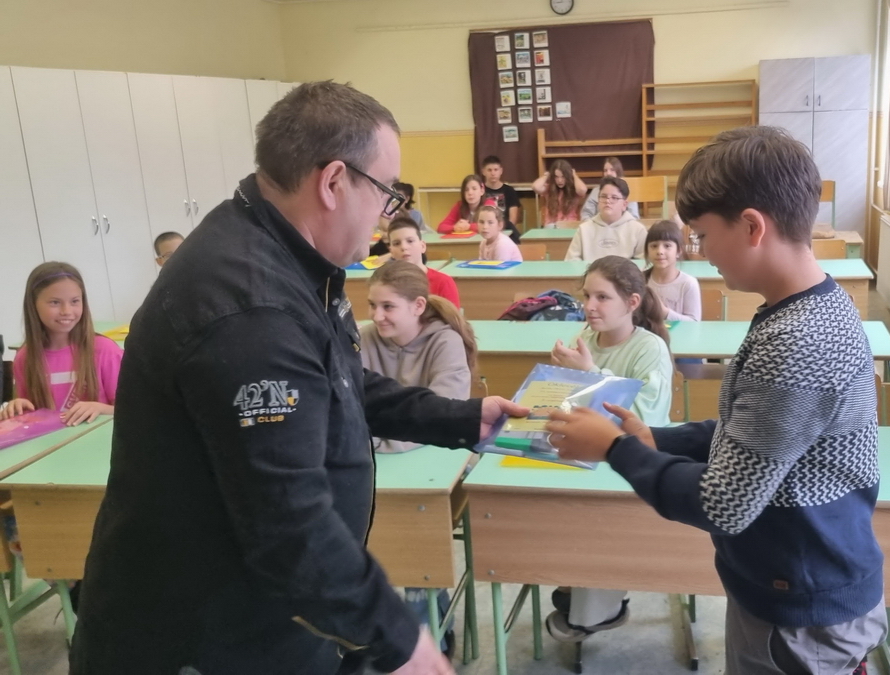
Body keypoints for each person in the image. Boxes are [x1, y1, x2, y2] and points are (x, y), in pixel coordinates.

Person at [70, 81, 527, 675]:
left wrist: (462, 417)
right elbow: (288, 521)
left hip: (265, 614)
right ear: (333, 182)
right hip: (205, 635)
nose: (388, 213)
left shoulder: (282, 252)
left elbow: (339, 384)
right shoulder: (251, 307)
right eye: (387, 192)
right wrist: (398, 637)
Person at [545, 126, 886, 675]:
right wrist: (657, 439)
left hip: (802, 609)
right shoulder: (802, 306)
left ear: (752, 226)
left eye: (702, 235)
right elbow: (749, 430)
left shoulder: (797, 339)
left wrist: (614, 449)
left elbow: (725, 504)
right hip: (792, 582)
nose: (698, 251)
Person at [543, 255, 673, 643]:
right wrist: (558, 379)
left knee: (593, 516)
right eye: (586, 296)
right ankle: (571, 583)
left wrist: (589, 375)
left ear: (632, 302)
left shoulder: (649, 349)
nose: (590, 306)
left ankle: (596, 608)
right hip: (582, 456)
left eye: (602, 297)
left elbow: (645, 421)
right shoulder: (586, 340)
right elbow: (568, 405)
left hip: (628, 461)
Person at [360, 260, 476, 453]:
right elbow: (345, 408)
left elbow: (443, 419)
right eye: (372, 305)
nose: (376, 316)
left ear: (418, 306)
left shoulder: (445, 342)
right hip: (374, 456)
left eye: (388, 306)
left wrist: (374, 443)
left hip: (434, 453)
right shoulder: (362, 339)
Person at [0, 262, 122, 426]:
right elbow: (30, 416)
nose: (66, 311)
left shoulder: (105, 350)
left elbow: (133, 408)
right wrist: (18, 407)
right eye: (55, 302)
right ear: (33, 305)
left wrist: (100, 408)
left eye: (75, 301)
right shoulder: (25, 358)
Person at [564, 177, 646, 262]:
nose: (607, 201)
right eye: (603, 196)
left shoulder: (638, 230)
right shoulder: (584, 229)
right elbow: (571, 262)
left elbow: (643, 263)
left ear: (624, 205)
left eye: (614, 197)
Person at [388, 215, 462, 309]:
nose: (403, 247)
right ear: (391, 252)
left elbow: (452, 317)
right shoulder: (387, 284)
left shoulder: (443, 282)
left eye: (410, 241)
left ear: (422, 246)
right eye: (396, 243)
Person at [644, 221, 700, 321]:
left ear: (679, 251)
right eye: (654, 246)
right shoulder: (640, 280)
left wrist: (665, 312)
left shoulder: (688, 284)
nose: (660, 251)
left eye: (667, 246)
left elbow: (694, 322)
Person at [479, 155, 523, 242]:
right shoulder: (479, 190)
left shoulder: (509, 191)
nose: (493, 173)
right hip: (485, 230)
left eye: (496, 170)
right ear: (483, 172)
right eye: (489, 170)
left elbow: (512, 219)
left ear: (501, 171)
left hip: (505, 229)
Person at [532, 159, 587, 226]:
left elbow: (582, 189)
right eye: (556, 177)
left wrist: (574, 175)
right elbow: (535, 187)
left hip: (569, 225)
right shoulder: (549, 188)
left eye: (563, 177)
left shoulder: (574, 189)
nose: (560, 180)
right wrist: (547, 175)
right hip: (551, 226)